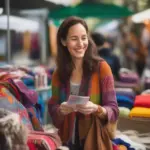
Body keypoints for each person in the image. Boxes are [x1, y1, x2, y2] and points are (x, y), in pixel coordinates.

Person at [48, 16, 119, 150]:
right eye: (74, 39)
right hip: (66, 141)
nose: (80, 44)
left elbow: (114, 110)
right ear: (64, 41)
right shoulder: (58, 74)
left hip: (94, 141)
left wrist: (97, 109)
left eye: (84, 37)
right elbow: (53, 108)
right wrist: (61, 111)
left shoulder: (102, 68)